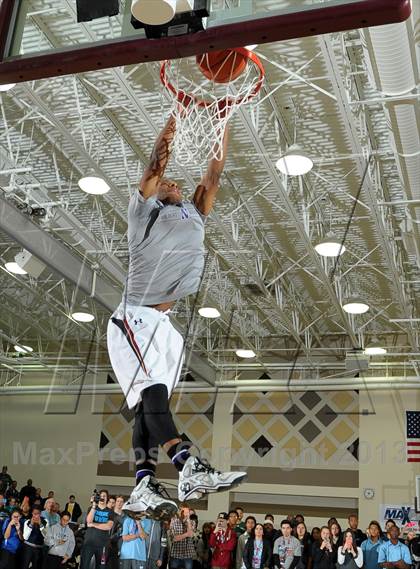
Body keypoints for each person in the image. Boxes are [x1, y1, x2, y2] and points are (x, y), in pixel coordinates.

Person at [107, 115, 246, 519]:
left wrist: (222, 122)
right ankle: (187, 466)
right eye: (164, 185)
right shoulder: (141, 215)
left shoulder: (195, 214)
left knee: (152, 404)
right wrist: (173, 123)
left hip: (165, 326)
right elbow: (154, 166)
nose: (170, 184)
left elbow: (214, 174)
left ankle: (144, 485)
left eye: (174, 183)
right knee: (151, 396)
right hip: (135, 316)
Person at [80, 490, 114, 569]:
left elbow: (108, 526)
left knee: (101, 567)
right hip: (89, 543)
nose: (102, 498)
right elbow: (88, 521)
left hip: (103, 545)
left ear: (107, 498)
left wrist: (93, 524)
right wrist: (94, 505)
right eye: (101, 496)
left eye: (104, 496)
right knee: (84, 565)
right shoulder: (91, 508)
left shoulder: (110, 512)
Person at [108, 495, 125, 569]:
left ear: (123, 503)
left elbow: (122, 532)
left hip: (117, 545)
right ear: (115, 503)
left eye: (121, 502)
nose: (119, 503)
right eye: (118, 501)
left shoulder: (125, 517)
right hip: (106, 543)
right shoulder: (109, 513)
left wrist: (111, 538)